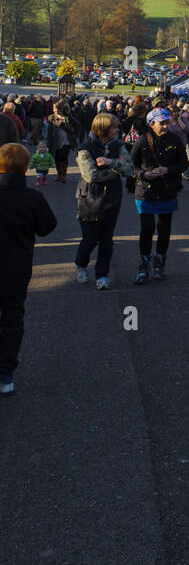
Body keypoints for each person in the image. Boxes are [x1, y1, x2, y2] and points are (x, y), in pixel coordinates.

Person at [0, 142, 58, 395]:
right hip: (16, 266)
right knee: (12, 319)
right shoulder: (32, 198)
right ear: (25, 168)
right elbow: (47, 227)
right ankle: (5, 372)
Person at [74, 112, 135, 289]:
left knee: (107, 239)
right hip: (89, 198)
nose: (117, 130)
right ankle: (81, 263)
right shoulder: (85, 148)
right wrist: (117, 168)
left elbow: (129, 168)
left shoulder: (118, 145)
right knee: (90, 239)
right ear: (103, 129)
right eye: (114, 127)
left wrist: (111, 162)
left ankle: (102, 275)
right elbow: (90, 175)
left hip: (112, 198)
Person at [130, 107, 188, 283]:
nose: (165, 126)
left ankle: (159, 264)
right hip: (146, 192)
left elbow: (184, 164)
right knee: (146, 229)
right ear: (151, 123)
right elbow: (131, 166)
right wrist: (143, 174)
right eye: (161, 123)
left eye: (166, 123)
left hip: (167, 190)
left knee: (164, 230)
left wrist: (168, 169)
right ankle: (143, 266)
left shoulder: (175, 140)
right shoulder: (141, 141)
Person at [46, 102, 76, 182]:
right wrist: (48, 142)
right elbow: (49, 132)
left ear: (61, 109)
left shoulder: (68, 117)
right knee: (57, 158)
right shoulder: (51, 117)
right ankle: (59, 175)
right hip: (56, 141)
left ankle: (63, 176)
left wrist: (75, 134)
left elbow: (78, 125)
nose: (53, 110)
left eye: (55, 109)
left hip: (67, 141)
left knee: (63, 157)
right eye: (53, 108)